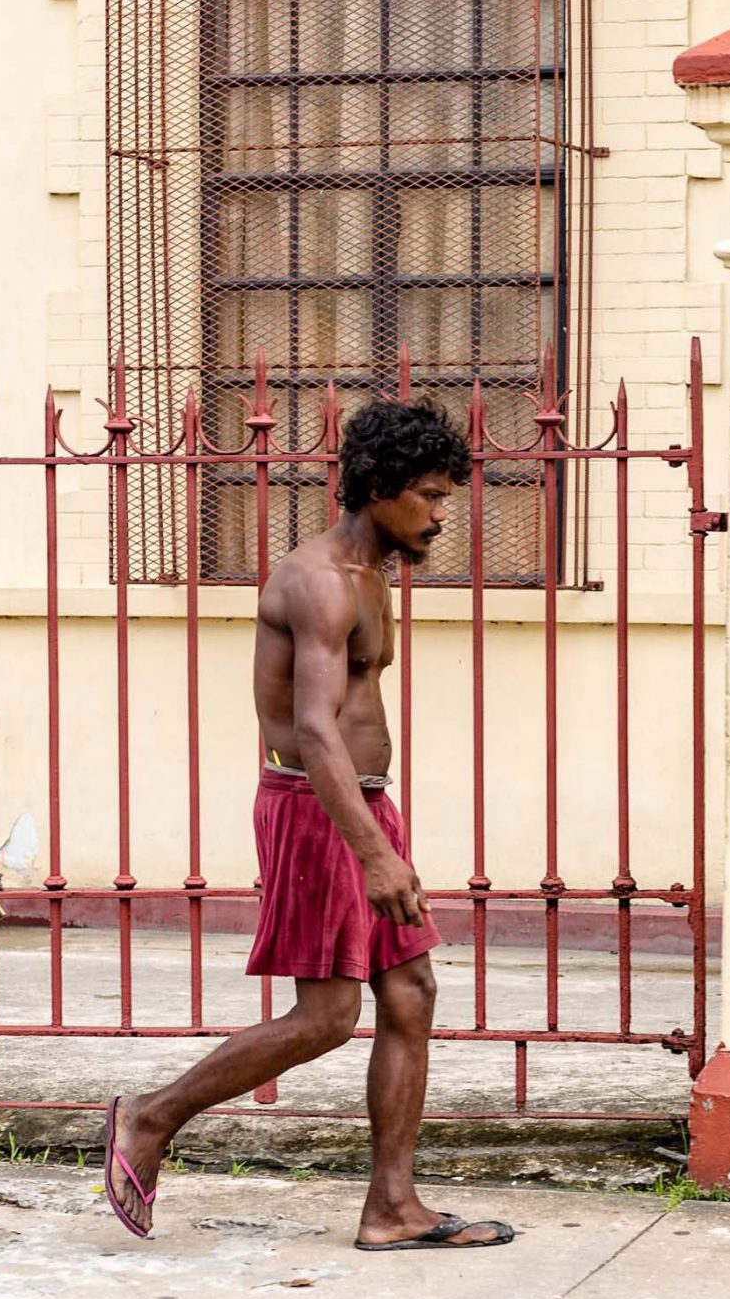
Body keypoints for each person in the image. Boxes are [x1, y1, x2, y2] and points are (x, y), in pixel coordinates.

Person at [103, 397, 514, 1251]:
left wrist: (378, 830)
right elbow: (315, 728)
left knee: (410, 991)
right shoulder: (321, 581)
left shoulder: (372, 575)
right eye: (430, 497)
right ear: (377, 487)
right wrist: (374, 853)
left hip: (361, 807)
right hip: (320, 812)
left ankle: (392, 1209)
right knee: (327, 1016)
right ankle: (149, 1117)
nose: (442, 516)